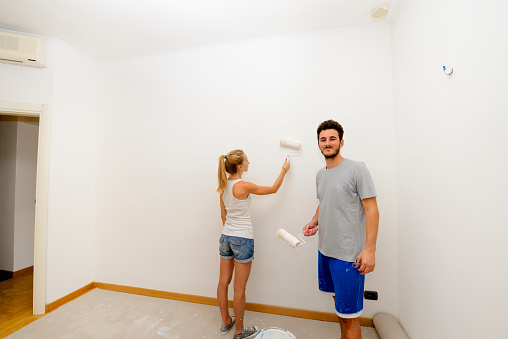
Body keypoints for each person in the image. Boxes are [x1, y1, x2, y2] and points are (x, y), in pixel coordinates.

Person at [303, 120, 379, 339]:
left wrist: (370, 250)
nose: (327, 143)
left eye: (332, 139)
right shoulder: (320, 174)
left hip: (348, 256)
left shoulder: (357, 169)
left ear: (341, 142)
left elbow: (372, 210)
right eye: (323, 139)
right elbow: (325, 201)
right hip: (325, 251)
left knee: (350, 316)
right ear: (318, 144)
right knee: (340, 308)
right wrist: (314, 220)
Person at [217, 149, 290, 339]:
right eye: (247, 161)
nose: (250, 163)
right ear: (240, 166)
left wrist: (231, 232)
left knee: (223, 282)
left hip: (226, 238)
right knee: (239, 288)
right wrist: (284, 169)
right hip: (242, 239)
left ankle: (226, 322)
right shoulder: (244, 186)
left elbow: (224, 216)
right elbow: (273, 189)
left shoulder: (223, 186)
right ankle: (239, 332)